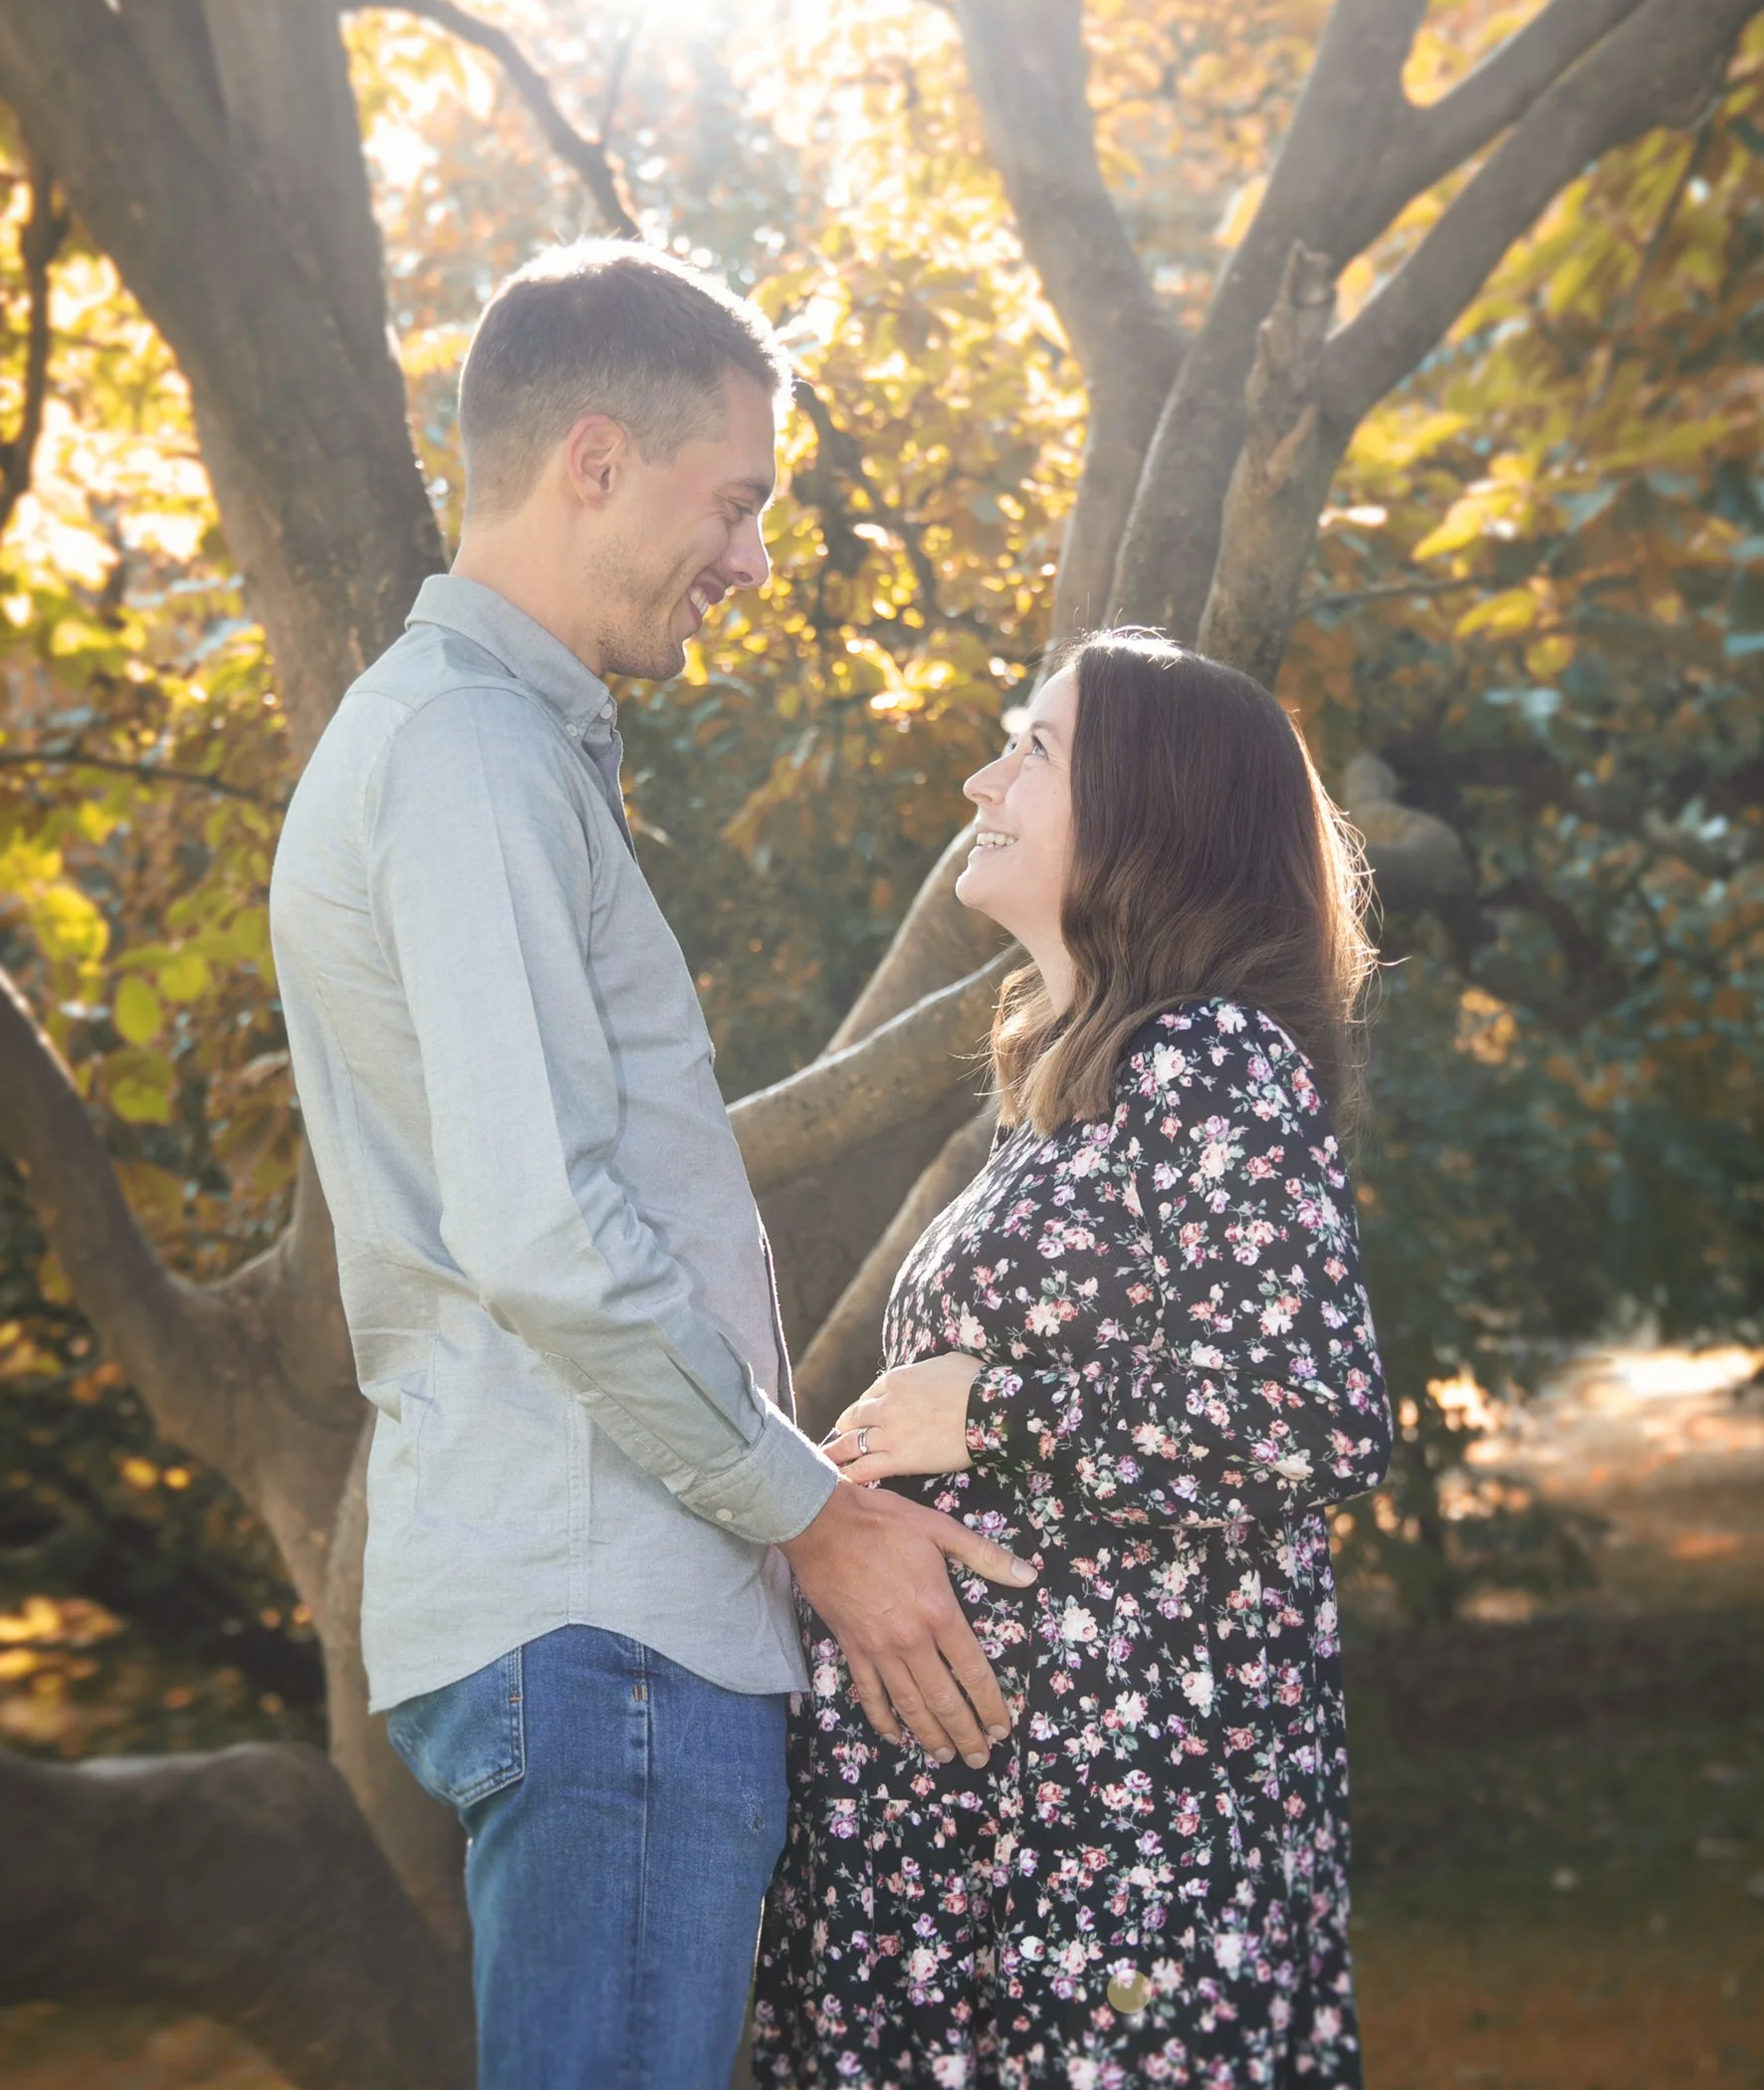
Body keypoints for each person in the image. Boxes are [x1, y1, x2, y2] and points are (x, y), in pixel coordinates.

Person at [269, 241, 1035, 2090]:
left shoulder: (492, 747)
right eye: (738, 501)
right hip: (604, 1621)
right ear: (593, 460)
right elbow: (548, 1237)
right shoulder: (467, 757)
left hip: (601, 1604)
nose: (754, 557)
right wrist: (816, 1517)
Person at [754, 628, 1394, 2089]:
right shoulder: (1082, 1094)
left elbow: (1312, 1415)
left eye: (1033, 748)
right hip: (992, 1848)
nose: (985, 775)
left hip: (1109, 1870)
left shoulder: (1211, 1058)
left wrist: (996, 1410)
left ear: (1148, 811)